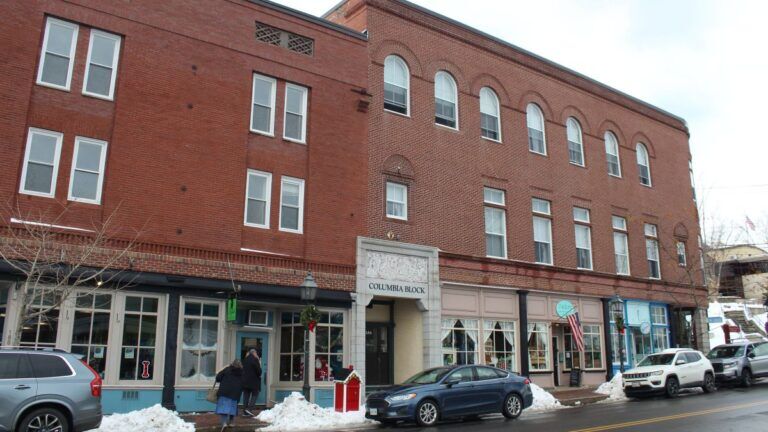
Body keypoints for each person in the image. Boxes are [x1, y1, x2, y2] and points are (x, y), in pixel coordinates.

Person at [215, 360, 244, 431]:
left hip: (224, 391)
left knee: (223, 408)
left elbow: (218, 378)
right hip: (235, 393)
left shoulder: (227, 369)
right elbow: (243, 383)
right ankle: (231, 423)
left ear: (232, 364)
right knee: (232, 408)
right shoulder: (242, 372)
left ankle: (224, 423)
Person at [241, 348, 263, 417]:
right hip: (254, 381)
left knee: (246, 396)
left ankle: (245, 411)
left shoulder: (245, 360)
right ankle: (249, 409)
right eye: (256, 353)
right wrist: (259, 362)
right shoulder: (255, 360)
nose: (257, 354)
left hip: (245, 381)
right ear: (254, 353)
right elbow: (259, 371)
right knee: (255, 395)